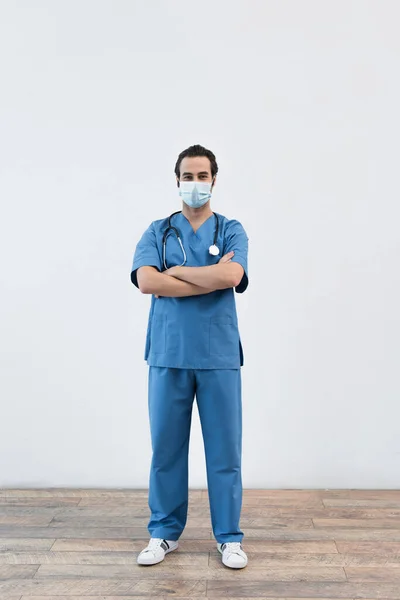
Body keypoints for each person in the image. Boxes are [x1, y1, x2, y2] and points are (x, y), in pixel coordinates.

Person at [130, 144, 249, 569]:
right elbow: (146, 282)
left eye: (202, 176)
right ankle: (163, 533)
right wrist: (206, 280)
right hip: (168, 355)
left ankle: (229, 538)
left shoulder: (231, 230)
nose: (195, 183)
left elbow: (232, 275)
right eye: (188, 176)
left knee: (224, 453)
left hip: (218, 356)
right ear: (176, 179)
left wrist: (174, 273)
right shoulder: (157, 231)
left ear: (214, 180)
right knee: (166, 450)